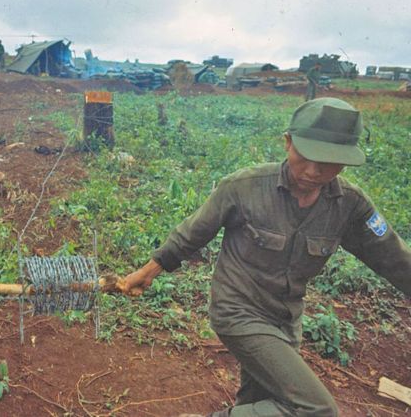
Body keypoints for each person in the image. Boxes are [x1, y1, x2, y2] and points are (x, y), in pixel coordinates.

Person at [120, 98, 411, 417]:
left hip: (286, 319)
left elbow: (394, 258)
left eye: (328, 163)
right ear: (288, 143)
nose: (314, 171)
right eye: (307, 156)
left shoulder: (350, 205)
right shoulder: (243, 188)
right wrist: (147, 272)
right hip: (238, 310)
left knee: (260, 403)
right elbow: (193, 232)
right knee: (316, 409)